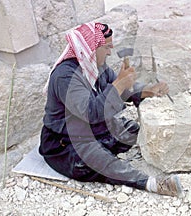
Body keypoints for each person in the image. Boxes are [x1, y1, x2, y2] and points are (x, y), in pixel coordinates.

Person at [39, 22, 183, 197]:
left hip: (95, 130)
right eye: (106, 47)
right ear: (92, 48)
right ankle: (150, 183)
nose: (109, 52)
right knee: (95, 159)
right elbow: (91, 112)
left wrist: (147, 91)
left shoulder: (95, 66)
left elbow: (121, 90)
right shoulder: (66, 76)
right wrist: (120, 83)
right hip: (66, 143)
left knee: (132, 129)